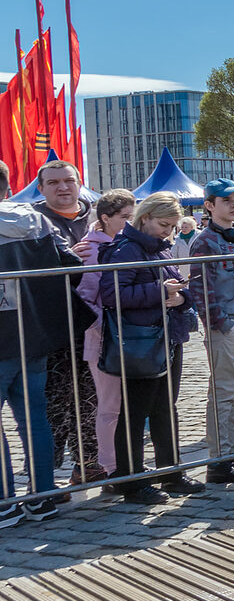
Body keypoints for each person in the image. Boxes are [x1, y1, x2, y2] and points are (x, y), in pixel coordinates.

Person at [98, 193, 203, 504]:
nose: (168, 231)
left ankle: (169, 472)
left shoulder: (156, 248)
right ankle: (131, 481)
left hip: (163, 336)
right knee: (136, 411)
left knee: (164, 407)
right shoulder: (128, 248)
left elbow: (178, 290)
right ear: (144, 218)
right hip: (141, 340)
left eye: (171, 226)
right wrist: (160, 291)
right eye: (163, 224)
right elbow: (112, 294)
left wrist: (180, 297)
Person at [0, 167, 85, 524]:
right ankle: (42, 497)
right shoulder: (34, 219)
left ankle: (4, 503)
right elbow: (74, 266)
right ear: (7, 187)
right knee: (34, 418)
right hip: (31, 334)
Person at [186, 180, 234, 482]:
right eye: (226, 200)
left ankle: (230, 451)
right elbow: (201, 289)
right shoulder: (204, 242)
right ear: (209, 205)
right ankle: (219, 460)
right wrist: (222, 324)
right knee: (225, 391)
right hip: (230, 325)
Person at [29, 159, 101, 483]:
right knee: (54, 404)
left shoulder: (99, 215)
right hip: (50, 328)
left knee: (91, 399)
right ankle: (43, 477)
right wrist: (68, 256)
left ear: (78, 182)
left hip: (96, 323)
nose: (63, 188)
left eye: (68, 181)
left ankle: (87, 464)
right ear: (41, 188)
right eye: (54, 182)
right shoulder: (30, 222)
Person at [76, 189, 136, 481]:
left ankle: (129, 461)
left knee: (129, 403)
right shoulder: (90, 248)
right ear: (105, 218)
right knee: (109, 404)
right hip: (103, 336)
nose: (131, 222)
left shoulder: (128, 244)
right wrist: (106, 321)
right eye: (125, 217)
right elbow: (85, 297)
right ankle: (110, 467)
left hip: (130, 334)